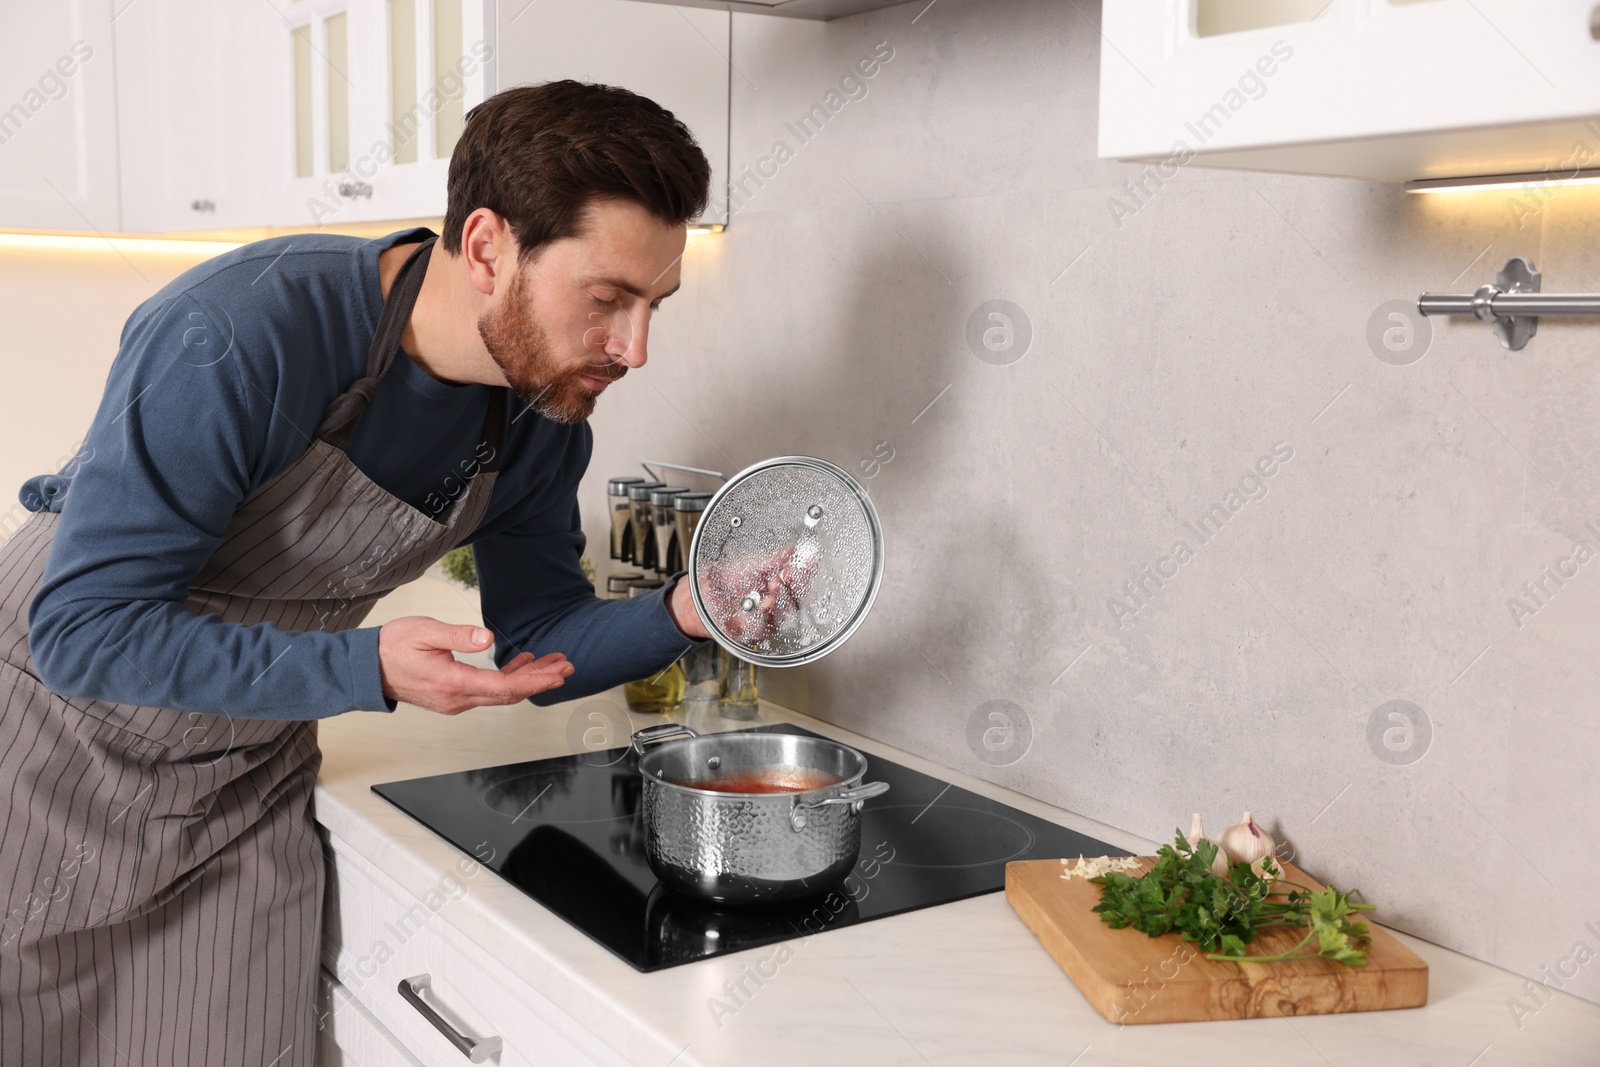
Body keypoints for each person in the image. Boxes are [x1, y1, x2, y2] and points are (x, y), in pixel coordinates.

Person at [0, 80, 730, 1067]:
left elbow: (539, 633)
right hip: (50, 744)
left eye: (655, 305)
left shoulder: (540, 419)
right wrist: (368, 666)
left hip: (237, 774)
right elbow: (86, 630)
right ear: (484, 246)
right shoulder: (243, 331)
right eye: (607, 299)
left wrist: (689, 607)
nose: (634, 348)